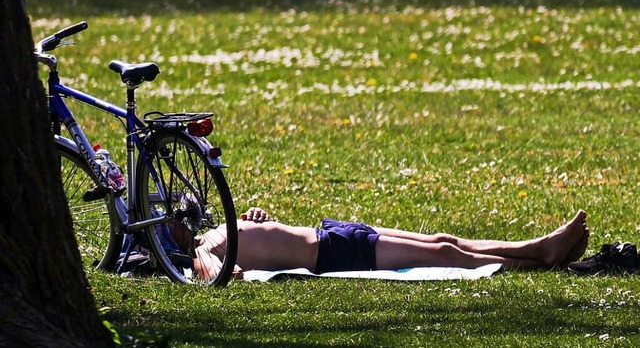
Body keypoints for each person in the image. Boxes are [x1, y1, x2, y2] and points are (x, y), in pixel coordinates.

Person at [192, 208, 590, 281]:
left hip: (334, 232)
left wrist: (256, 215)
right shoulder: (202, 248)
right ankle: (543, 256)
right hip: (332, 255)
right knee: (445, 256)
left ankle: (539, 246)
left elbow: (260, 234)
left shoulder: (218, 227)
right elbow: (216, 273)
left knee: (444, 240)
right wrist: (223, 268)